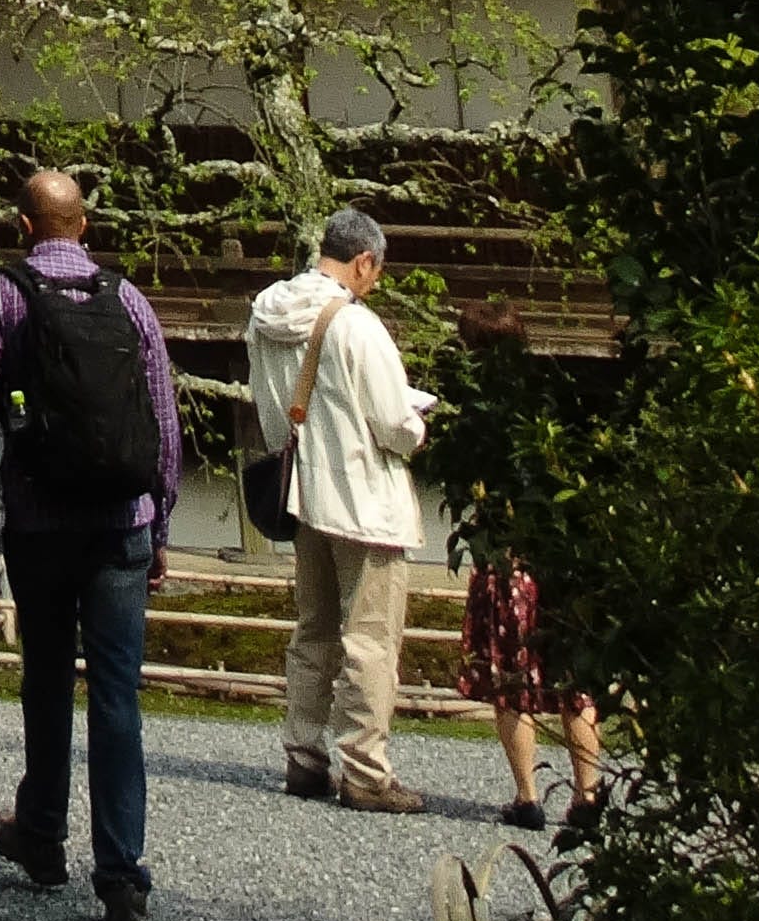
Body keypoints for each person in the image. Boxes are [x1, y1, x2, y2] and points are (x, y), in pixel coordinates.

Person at [0, 160, 181, 921]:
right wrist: (160, 524)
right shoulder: (129, 298)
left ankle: (43, 836)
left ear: (23, 226)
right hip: (122, 517)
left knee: (46, 677)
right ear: (84, 224)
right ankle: (122, 876)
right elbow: (162, 419)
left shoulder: (3, 295)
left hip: (40, 519)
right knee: (118, 694)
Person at [247, 204, 438, 815]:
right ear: (362, 262)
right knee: (370, 641)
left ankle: (303, 754)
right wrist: (418, 426)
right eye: (375, 271)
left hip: (306, 493)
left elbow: (272, 406)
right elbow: (392, 423)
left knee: (314, 632)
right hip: (364, 500)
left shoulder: (266, 313)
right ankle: (365, 769)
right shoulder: (357, 325)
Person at [451, 487, 604, 833]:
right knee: (576, 684)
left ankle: (528, 798)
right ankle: (587, 796)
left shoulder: (490, 444)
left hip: (510, 559)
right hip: (568, 561)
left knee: (512, 680)